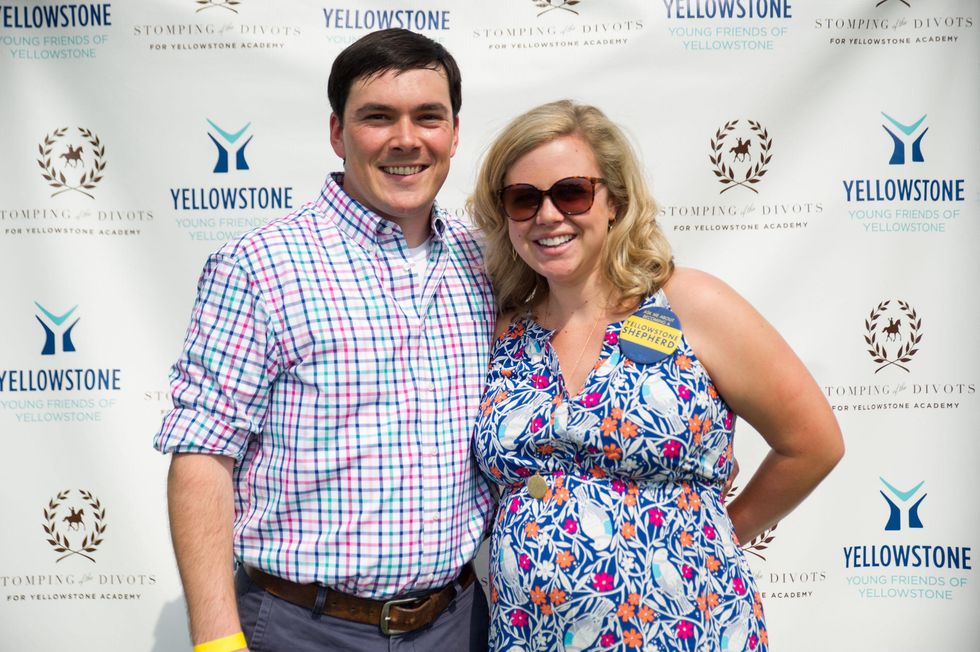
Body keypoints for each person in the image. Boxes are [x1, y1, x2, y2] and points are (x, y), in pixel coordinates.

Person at [154, 29, 494, 652]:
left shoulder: (486, 262)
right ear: (337, 133)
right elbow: (203, 455)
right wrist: (214, 639)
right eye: (377, 118)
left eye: (428, 117)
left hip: (457, 624)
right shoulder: (258, 265)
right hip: (301, 629)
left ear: (453, 132)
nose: (406, 139)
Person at [467, 100, 844, 651]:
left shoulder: (691, 304)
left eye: (572, 192)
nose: (548, 215)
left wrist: (715, 534)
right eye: (524, 199)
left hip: (688, 629)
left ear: (616, 201)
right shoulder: (502, 334)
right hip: (531, 636)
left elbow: (812, 443)